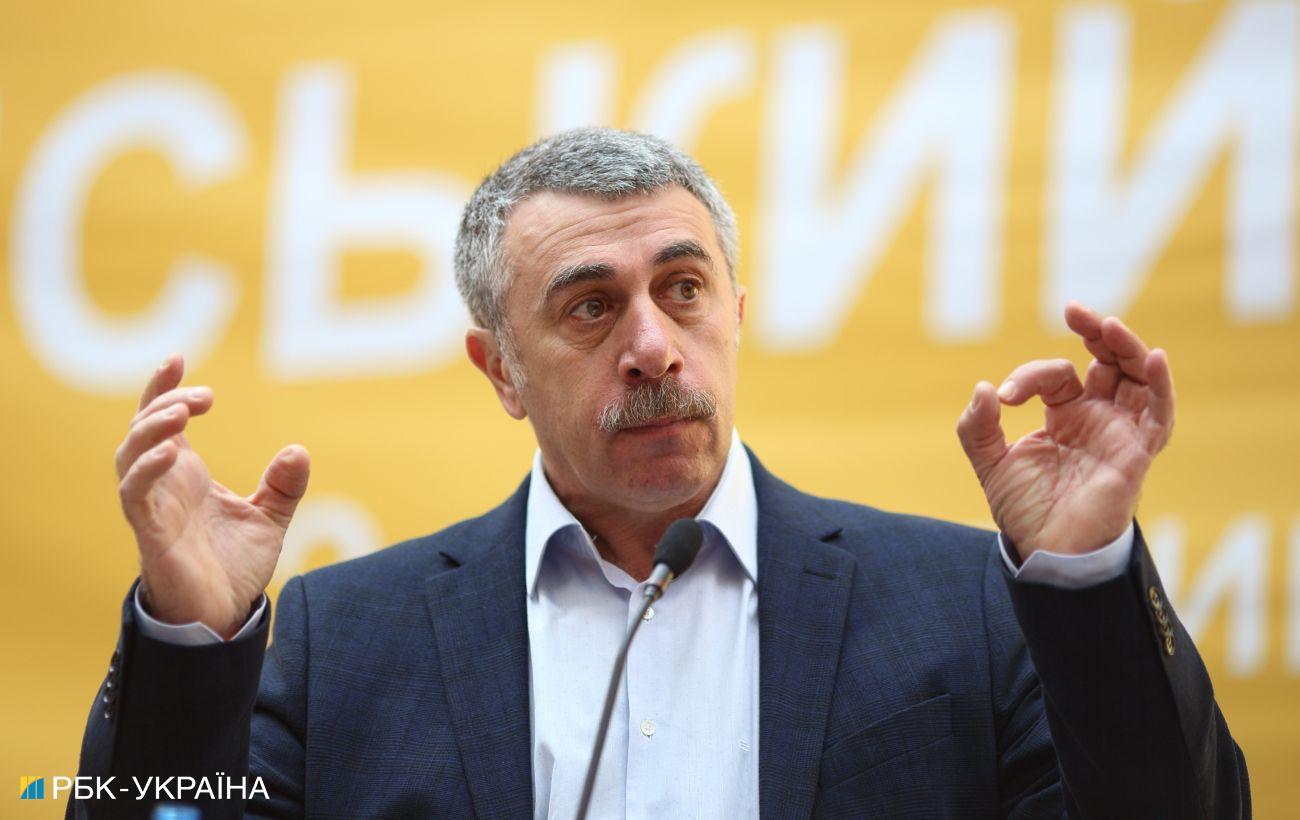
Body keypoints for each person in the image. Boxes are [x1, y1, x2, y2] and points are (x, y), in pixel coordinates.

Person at [72, 128, 1248, 819]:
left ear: (735, 313)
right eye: (589, 306)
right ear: (500, 370)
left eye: (682, 289)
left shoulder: (965, 605)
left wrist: (1084, 580)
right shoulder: (345, 641)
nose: (652, 345)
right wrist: (189, 646)